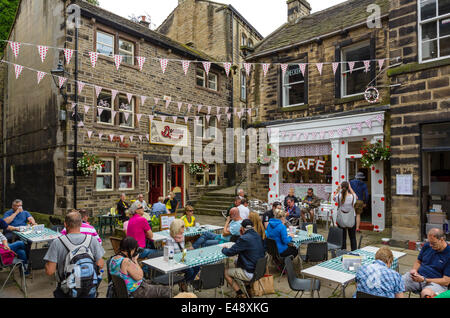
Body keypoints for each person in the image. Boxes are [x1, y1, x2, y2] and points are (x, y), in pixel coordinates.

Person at [44, 211, 105, 298]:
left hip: (67, 289)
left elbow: (50, 271)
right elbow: (100, 264)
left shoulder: (57, 242)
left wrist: (46, 263)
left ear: (65, 224)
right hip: (88, 287)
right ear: (81, 223)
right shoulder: (92, 240)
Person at [222, 219, 265, 298]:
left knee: (225, 272)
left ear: (242, 228)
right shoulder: (258, 235)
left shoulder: (244, 238)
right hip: (259, 270)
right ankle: (248, 288)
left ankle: (240, 294)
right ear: (252, 227)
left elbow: (230, 252)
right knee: (236, 261)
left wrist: (223, 249)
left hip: (250, 272)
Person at [402, 228, 449, 298]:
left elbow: (446, 281)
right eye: (429, 242)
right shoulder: (427, 246)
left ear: (441, 240)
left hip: (436, 283)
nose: (430, 245)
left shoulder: (448, 254)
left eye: (433, 243)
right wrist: (414, 270)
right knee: (396, 283)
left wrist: (424, 280)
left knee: (426, 294)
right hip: (418, 277)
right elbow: (418, 261)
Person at [166, 219, 200, 291]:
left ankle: (185, 282)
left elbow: (182, 249)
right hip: (174, 261)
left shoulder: (182, 236)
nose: (183, 229)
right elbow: (170, 255)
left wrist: (188, 250)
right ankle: (183, 283)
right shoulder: (169, 239)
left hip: (182, 258)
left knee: (197, 266)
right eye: (182, 227)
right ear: (176, 228)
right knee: (190, 270)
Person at [333, 181, 358, 251]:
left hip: (341, 218)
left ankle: (343, 252)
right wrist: (350, 188)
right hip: (351, 218)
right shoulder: (352, 197)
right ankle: (354, 251)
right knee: (353, 237)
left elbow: (334, 198)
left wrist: (338, 189)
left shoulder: (339, 196)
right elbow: (355, 195)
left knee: (343, 237)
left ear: (342, 187)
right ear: (348, 188)